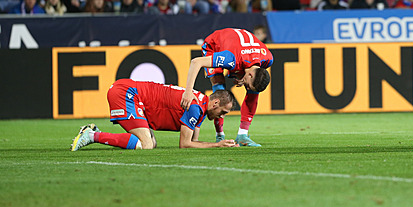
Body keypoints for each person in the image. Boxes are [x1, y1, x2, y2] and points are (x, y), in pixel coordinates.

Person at [70, 79, 238, 151]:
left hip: (131, 93)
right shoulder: (196, 107)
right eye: (222, 112)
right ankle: (92, 136)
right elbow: (185, 144)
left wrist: (222, 144)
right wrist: (217, 145)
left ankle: (93, 131)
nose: (221, 117)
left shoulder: (200, 105)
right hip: (127, 94)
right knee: (146, 144)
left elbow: (193, 142)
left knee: (152, 143)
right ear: (215, 103)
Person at [180, 28, 273, 147]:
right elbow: (196, 62)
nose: (246, 87)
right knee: (220, 89)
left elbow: (251, 66)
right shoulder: (231, 58)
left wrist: (241, 76)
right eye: (247, 84)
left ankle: (242, 135)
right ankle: (220, 135)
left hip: (238, 49)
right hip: (214, 46)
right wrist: (188, 92)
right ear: (249, 74)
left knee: (253, 93)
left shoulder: (268, 58)